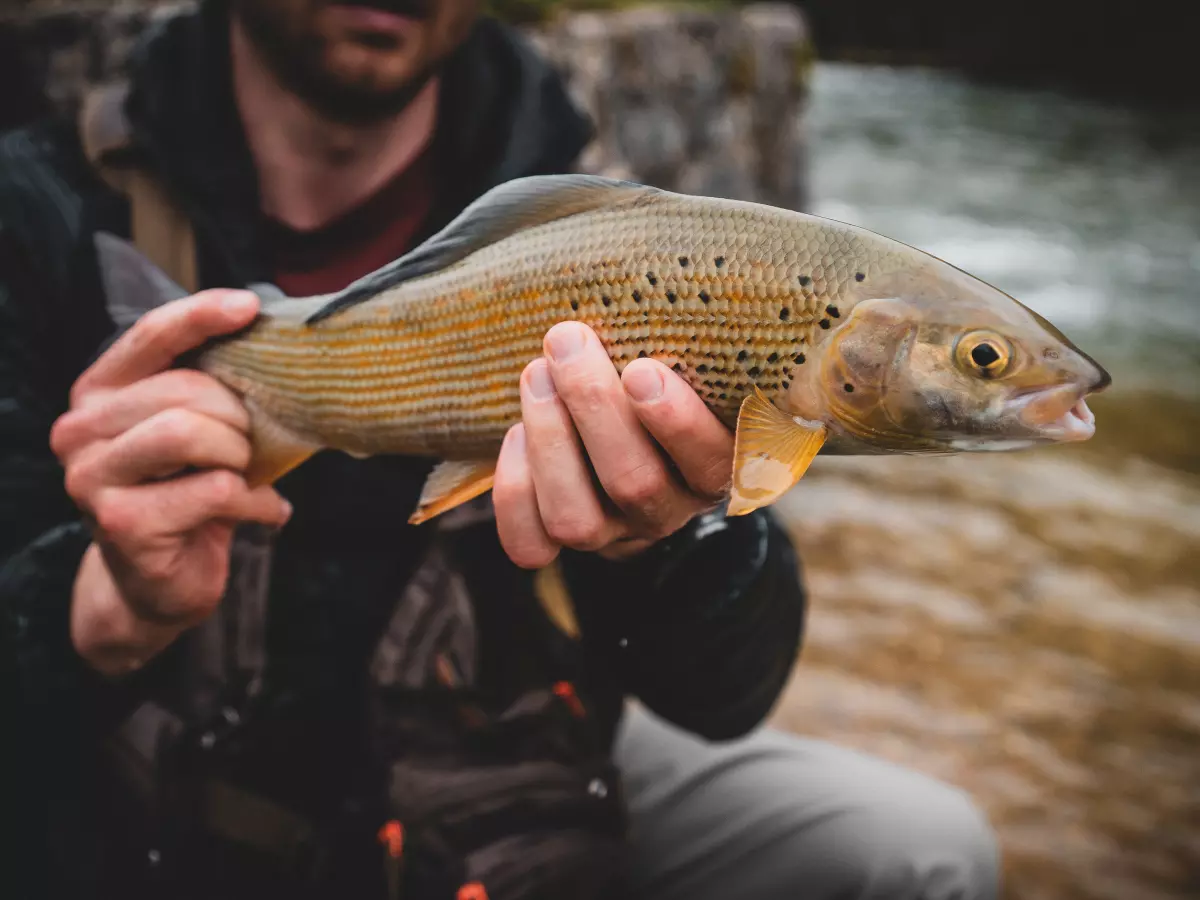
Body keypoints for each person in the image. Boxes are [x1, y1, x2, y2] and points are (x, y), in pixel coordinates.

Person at [0, 1, 1000, 898]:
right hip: (161, 777)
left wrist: (672, 530)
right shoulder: (38, 214)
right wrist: (97, 610)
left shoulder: (622, 220)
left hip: (516, 766)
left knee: (923, 848)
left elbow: (727, 699)